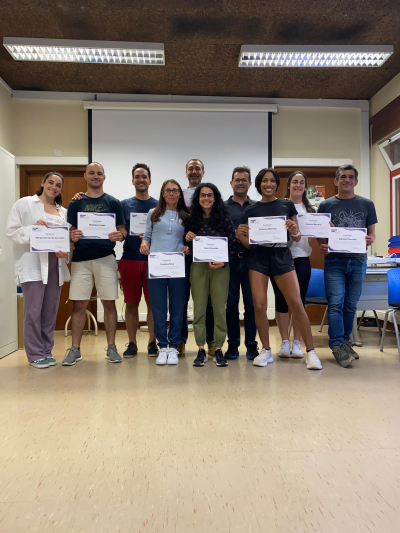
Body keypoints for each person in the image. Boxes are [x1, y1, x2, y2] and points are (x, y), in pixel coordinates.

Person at [236, 168, 322, 370]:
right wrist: (240, 236)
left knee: (296, 302)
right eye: (264, 181)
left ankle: (310, 352)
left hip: (281, 255)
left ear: (277, 184)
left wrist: (294, 230)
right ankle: (266, 350)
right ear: (259, 184)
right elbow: (251, 244)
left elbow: (298, 236)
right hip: (258, 258)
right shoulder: (251, 209)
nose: (268, 184)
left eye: (272, 181)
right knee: (259, 304)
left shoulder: (286, 204)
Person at [63, 162, 127, 366]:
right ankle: (75, 349)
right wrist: (71, 235)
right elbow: (69, 230)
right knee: (79, 304)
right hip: (81, 259)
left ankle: (111, 347)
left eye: (99, 173)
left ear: (104, 177)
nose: (96, 176)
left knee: (109, 302)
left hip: (106, 258)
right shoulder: (76, 202)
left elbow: (123, 229)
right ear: (85, 176)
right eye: (92, 173)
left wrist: (121, 235)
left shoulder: (114, 202)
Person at [6, 172, 70, 368]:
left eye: (58, 185)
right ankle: (34, 354)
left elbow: (65, 239)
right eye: (50, 182)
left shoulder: (64, 212)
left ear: (61, 189)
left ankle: (47, 351)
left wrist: (64, 254)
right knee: (33, 310)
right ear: (43, 183)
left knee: (50, 310)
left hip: (55, 265)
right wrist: (33, 229)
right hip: (33, 264)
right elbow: (11, 231)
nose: (54, 187)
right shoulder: (24, 204)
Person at [317, 164, 377, 367]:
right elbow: (320, 236)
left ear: (356, 181)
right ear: (336, 181)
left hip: (358, 260)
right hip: (334, 261)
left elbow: (372, 234)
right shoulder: (326, 205)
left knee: (350, 305)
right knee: (336, 304)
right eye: (343, 176)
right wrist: (322, 246)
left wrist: (370, 239)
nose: (347, 180)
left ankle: (344, 340)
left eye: (351, 177)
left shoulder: (367, 204)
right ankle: (335, 345)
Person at [185, 183, 236, 368]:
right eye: (203, 195)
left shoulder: (224, 219)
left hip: (220, 268)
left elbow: (232, 245)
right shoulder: (191, 220)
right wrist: (187, 241)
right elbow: (187, 248)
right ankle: (200, 348)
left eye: (210, 195)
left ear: (215, 198)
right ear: (198, 198)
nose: (206, 198)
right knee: (198, 309)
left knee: (219, 309)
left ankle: (219, 348)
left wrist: (225, 261)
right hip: (198, 268)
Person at [140, 179, 190, 365]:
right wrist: (144, 243)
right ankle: (162, 346)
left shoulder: (186, 215)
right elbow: (147, 235)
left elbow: (190, 239)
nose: (171, 193)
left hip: (178, 265)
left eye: (175, 190)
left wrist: (188, 247)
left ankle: (174, 346)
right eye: (168, 190)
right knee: (159, 307)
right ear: (162, 193)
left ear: (179, 193)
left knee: (177, 308)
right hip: (157, 265)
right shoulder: (153, 213)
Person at [270, 171, 315, 359]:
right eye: (295, 182)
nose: (298, 185)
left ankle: (297, 343)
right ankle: (284, 342)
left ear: (305, 186)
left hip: (302, 258)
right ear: (288, 185)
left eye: (302, 182)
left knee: (299, 302)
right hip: (280, 258)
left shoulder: (312, 210)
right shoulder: (279, 205)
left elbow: (319, 234)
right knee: (280, 301)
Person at [119, 163, 158, 358]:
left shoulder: (160, 205)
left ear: (150, 180)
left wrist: (150, 236)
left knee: (153, 304)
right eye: (137, 176)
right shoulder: (124, 204)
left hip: (154, 261)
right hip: (130, 260)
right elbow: (121, 230)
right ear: (133, 180)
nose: (141, 179)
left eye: (144, 176)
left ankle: (152, 342)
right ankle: (132, 343)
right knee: (132, 303)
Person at [180, 158, 215, 357]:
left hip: (207, 255)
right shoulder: (179, 195)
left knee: (208, 300)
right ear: (186, 172)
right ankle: (181, 340)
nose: (194, 171)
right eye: (191, 169)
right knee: (182, 299)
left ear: (203, 172)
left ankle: (210, 340)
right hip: (184, 254)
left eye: (198, 168)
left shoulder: (211, 194)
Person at [224, 166, 259, 361]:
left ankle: (252, 346)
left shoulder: (257, 207)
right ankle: (233, 346)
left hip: (252, 262)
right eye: (237, 180)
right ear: (231, 183)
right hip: (229, 262)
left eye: (244, 180)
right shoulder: (221, 207)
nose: (240, 183)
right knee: (230, 306)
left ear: (249, 183)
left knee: (252, 306)